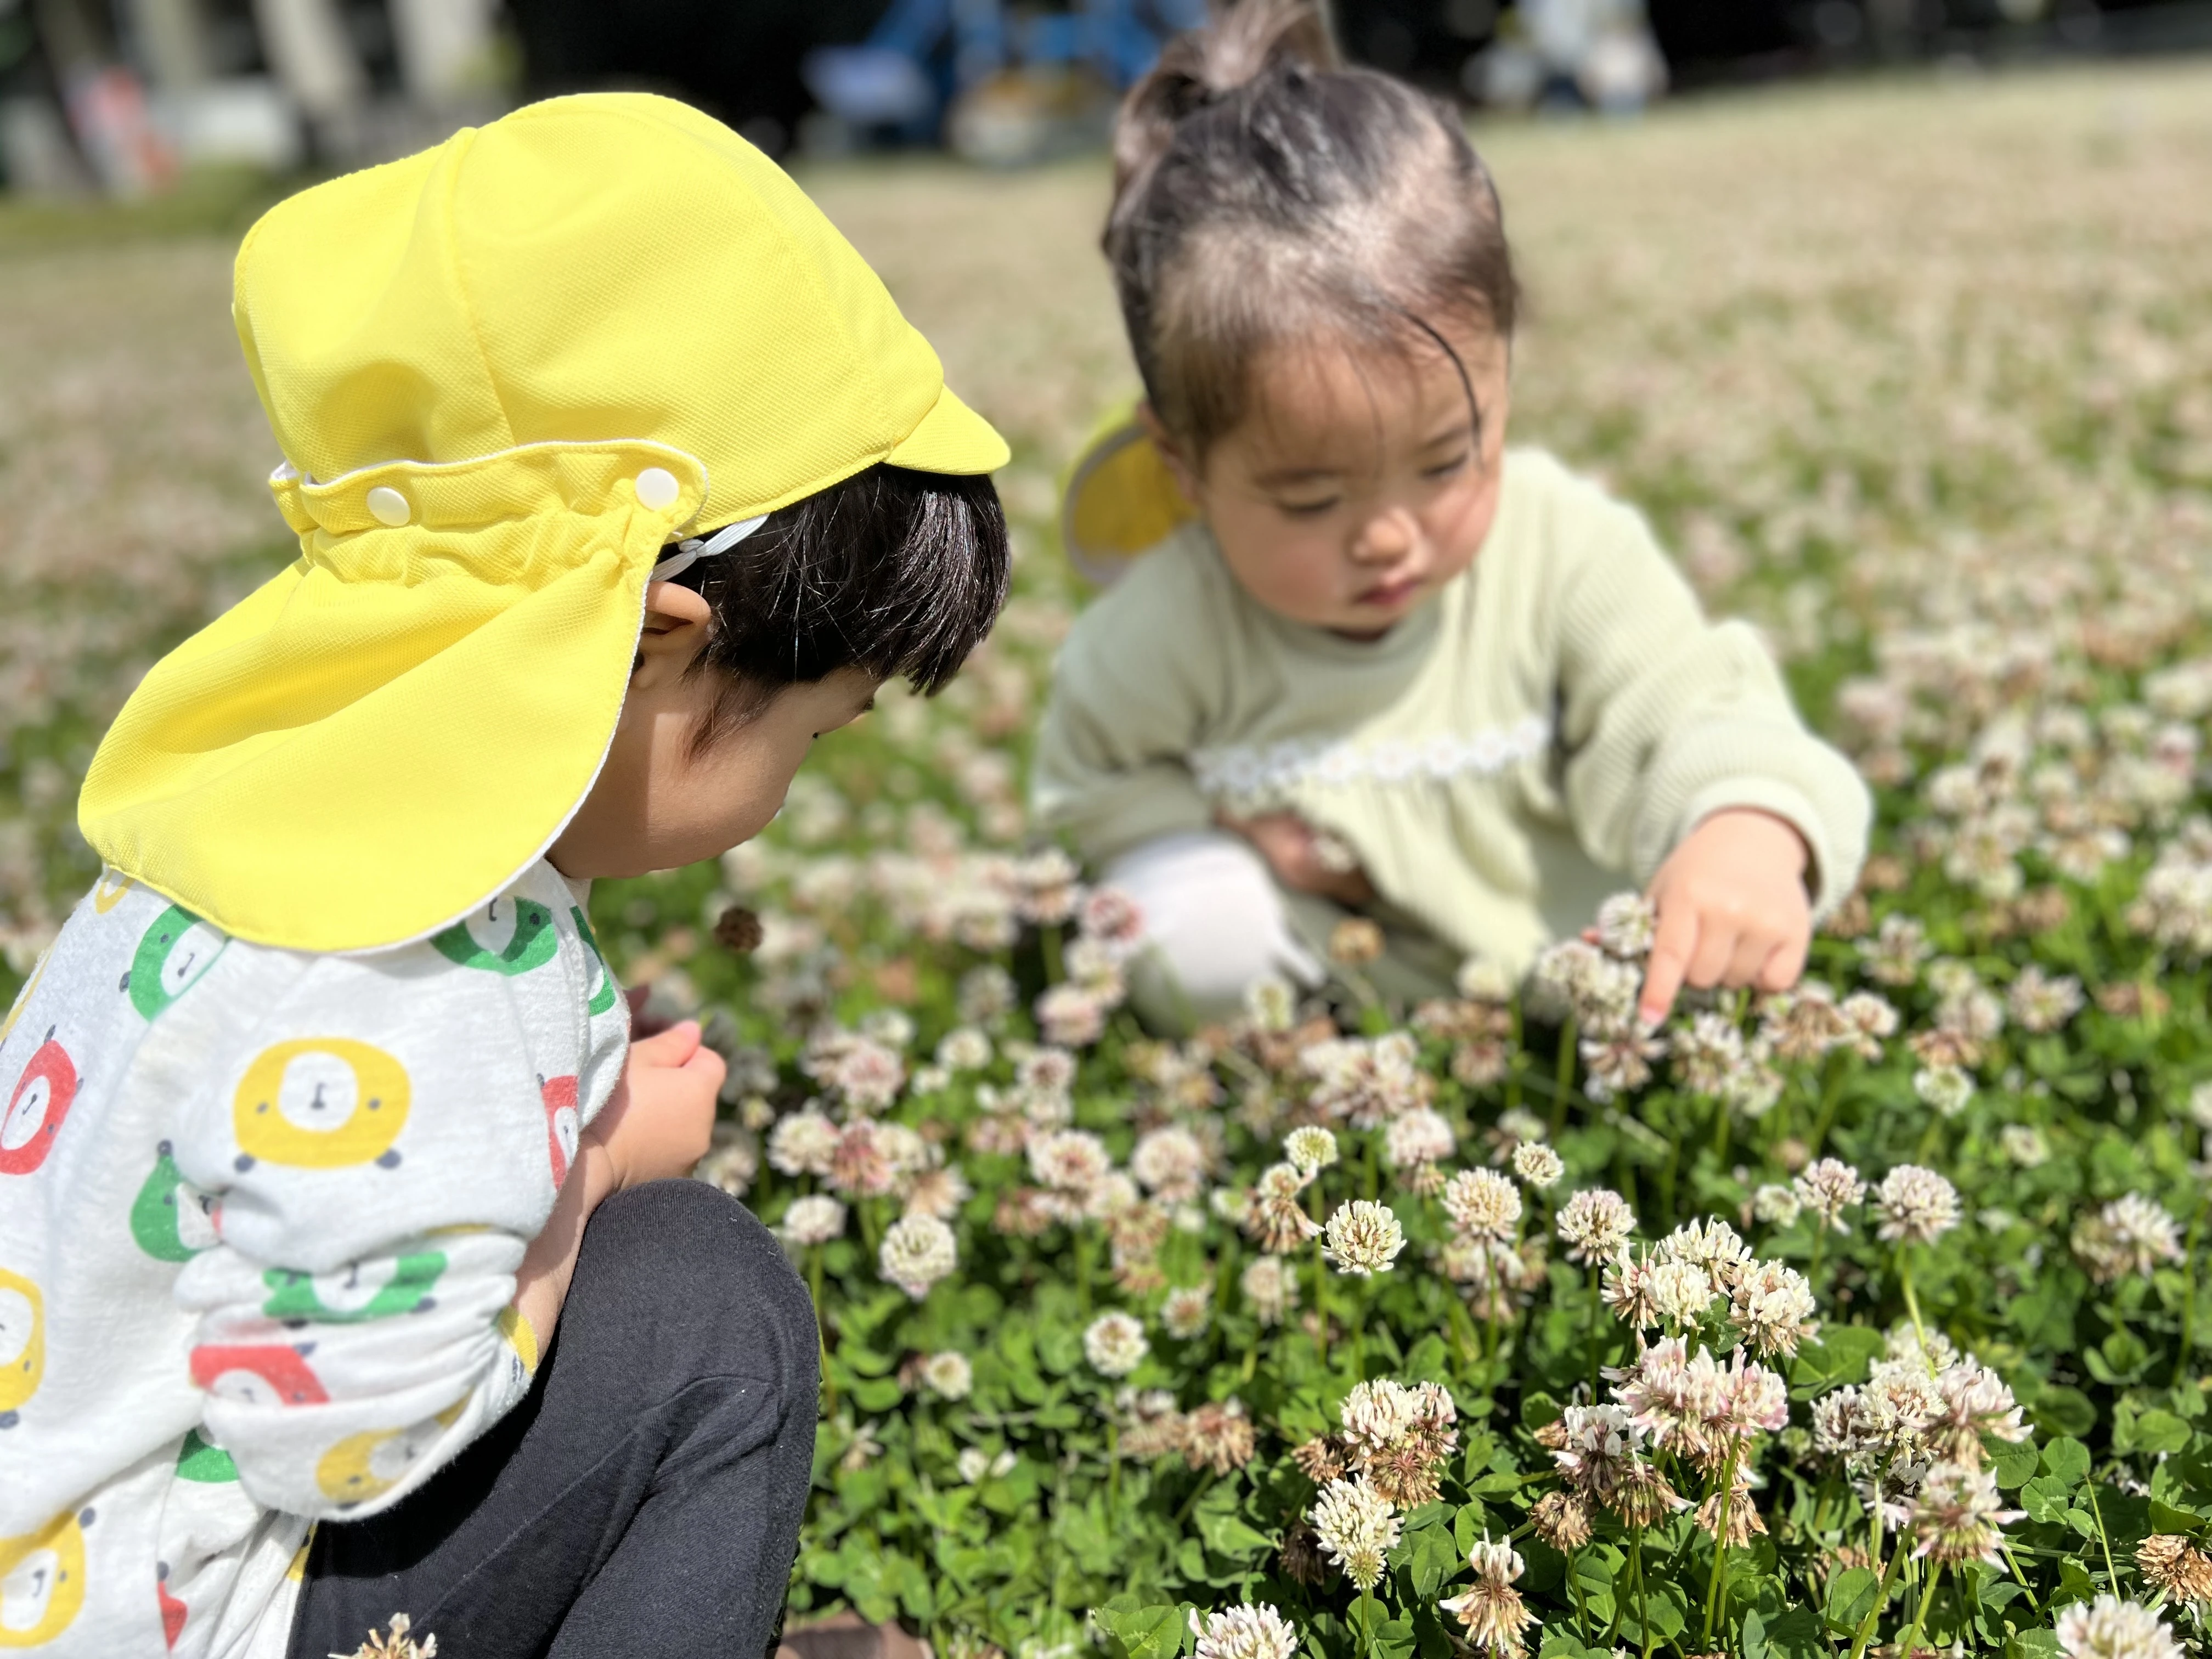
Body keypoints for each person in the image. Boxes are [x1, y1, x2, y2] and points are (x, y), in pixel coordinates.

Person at [0, 93, 1010, 1659]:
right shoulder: (446, 977)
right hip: (171, 1625)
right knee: (707, 1306)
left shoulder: (244, 830)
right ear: (664, 648)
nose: (798, 786)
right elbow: (347, 1442)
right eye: (814, 729)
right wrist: (593, 1166)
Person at [1032, 0, 1867, 1034]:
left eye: (1444, 463)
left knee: (1706, 935)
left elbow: (1692, 709)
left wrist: (1742, 825)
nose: (1389, 535)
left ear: (1502, 388)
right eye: (1310, 497)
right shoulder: (1169, 621)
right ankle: (1296, 1060)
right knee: (1183, 939)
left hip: (1585, 973)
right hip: (1313, 974)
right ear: (1186, 463)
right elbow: (1091, 789)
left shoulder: (1564, 550)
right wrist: (1221, 832)